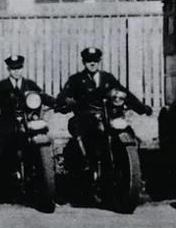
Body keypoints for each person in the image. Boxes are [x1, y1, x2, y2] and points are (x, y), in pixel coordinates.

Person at [55, 47, 131, 203]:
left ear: (99, 62)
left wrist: (142, 107)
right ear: (84, 62)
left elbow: (123, 93)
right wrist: (65, 102)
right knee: (86, 146)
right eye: (89, 61)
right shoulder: (76, 79)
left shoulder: (108, 78)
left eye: (95, 61)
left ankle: (125, 173)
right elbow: (64, 96)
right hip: (85, 118)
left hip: (106, 117)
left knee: (126, 134)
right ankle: (86, 178)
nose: (92, 64)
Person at [0, 55, 55, 202]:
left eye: (19, 68)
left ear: (22, 68)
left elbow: (42, 97)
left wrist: (58, 103)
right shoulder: (1, 86)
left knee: (36, 148)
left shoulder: (30, 85)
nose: (16, 71)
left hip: (27, 123)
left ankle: (44, 186)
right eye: (13, 69)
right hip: (6, 123)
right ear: (8, 69)